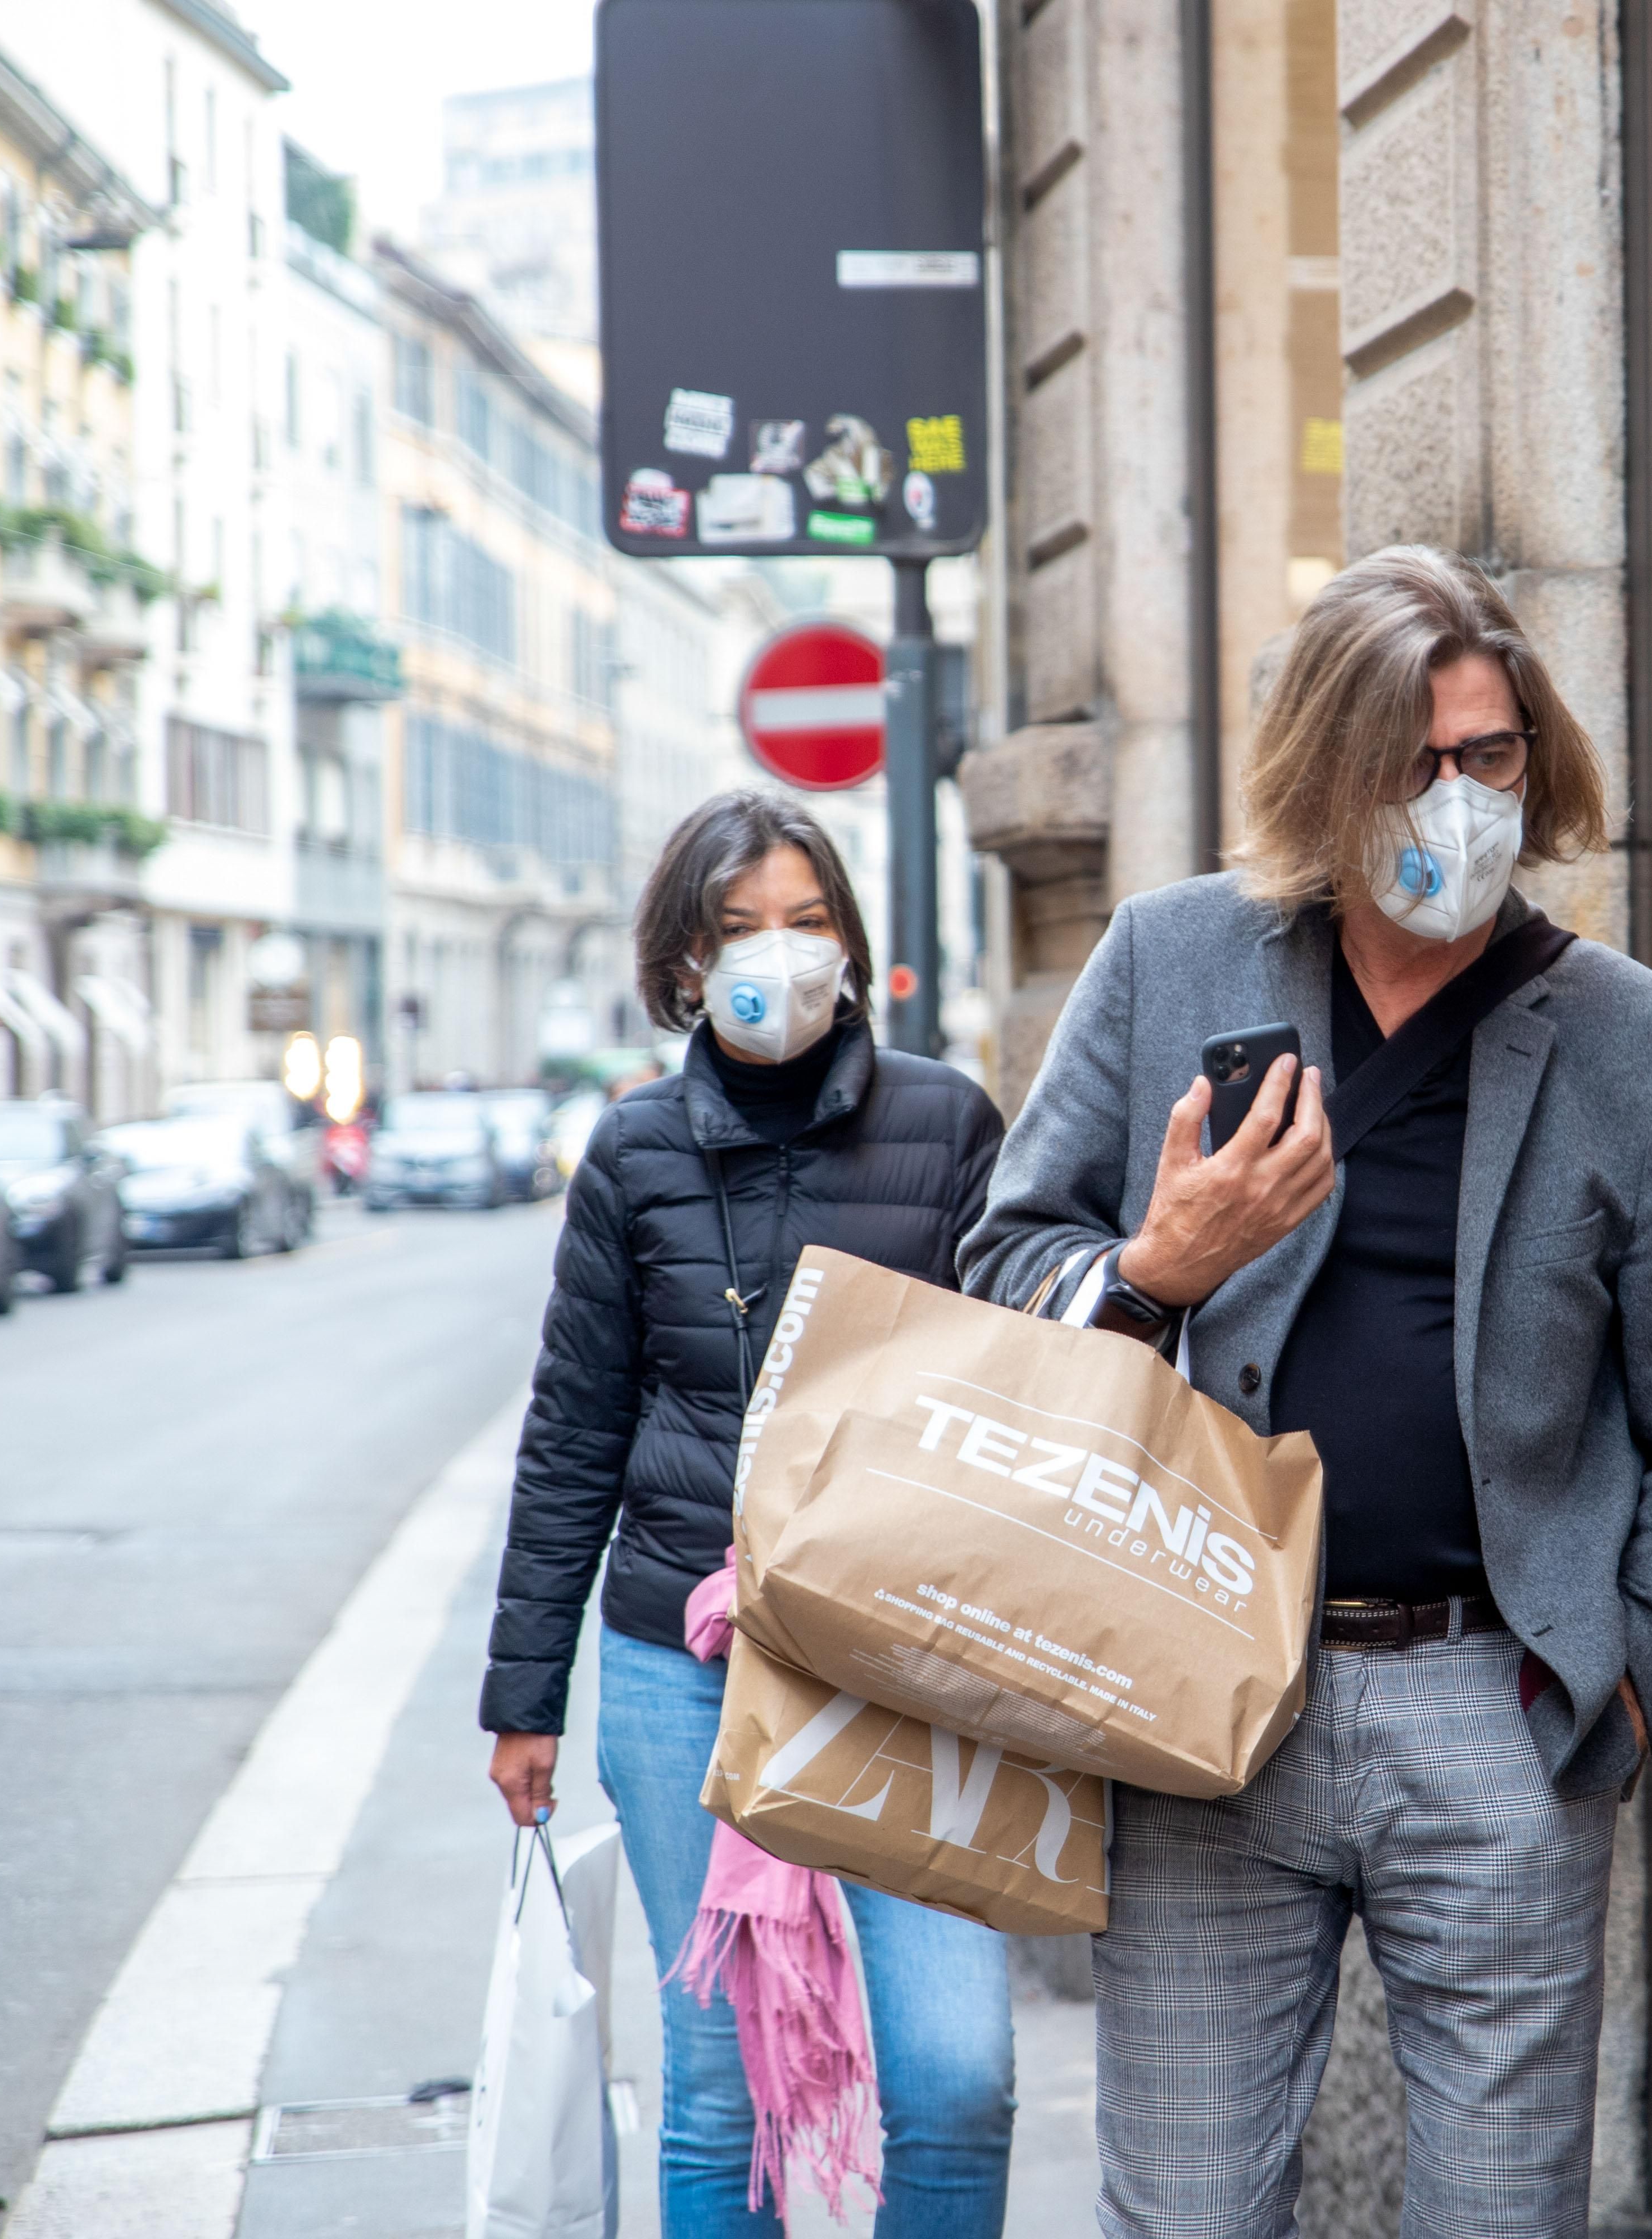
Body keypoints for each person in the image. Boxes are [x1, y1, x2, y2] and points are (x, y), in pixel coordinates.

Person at [960, 545, 1652, 2239]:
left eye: (1492, 756)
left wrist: (1622, 1690)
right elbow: (1002, 1264)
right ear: (1328, 774)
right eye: (1416, 762)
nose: (1464, 797)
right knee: (1184, 2211)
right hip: (1206, 1700)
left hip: (1501, 1709)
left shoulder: (1642, 1049)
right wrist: (1157, 1267)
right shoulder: (1171, 958)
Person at [483, 792, 1016, 2239]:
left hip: (906, 1662)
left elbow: (1021, 1398)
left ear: (850, 945)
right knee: (716, 2091)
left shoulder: (950, 1123)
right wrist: (523, 1695)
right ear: (679, 965)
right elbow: (573, 1430)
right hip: (681, 1663)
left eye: (804, 921)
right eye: (735, 932)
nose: (773, 957)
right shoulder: (633, 1150)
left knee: (959, 2077)